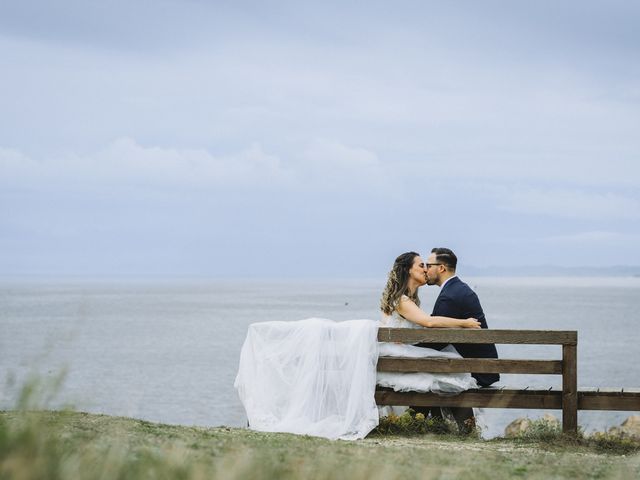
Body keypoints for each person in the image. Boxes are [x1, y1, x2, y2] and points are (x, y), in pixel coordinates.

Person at [413, 247, 500, 431]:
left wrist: (408, 348)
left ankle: (418, 423)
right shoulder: (456, 289)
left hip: (476, 369)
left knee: (420, 374)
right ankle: (432, 426)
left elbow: (437, 341)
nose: (426, 269)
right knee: (429, 373)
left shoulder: (450, 296)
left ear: (442, 268)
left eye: (429, 265)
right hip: (480, 364)